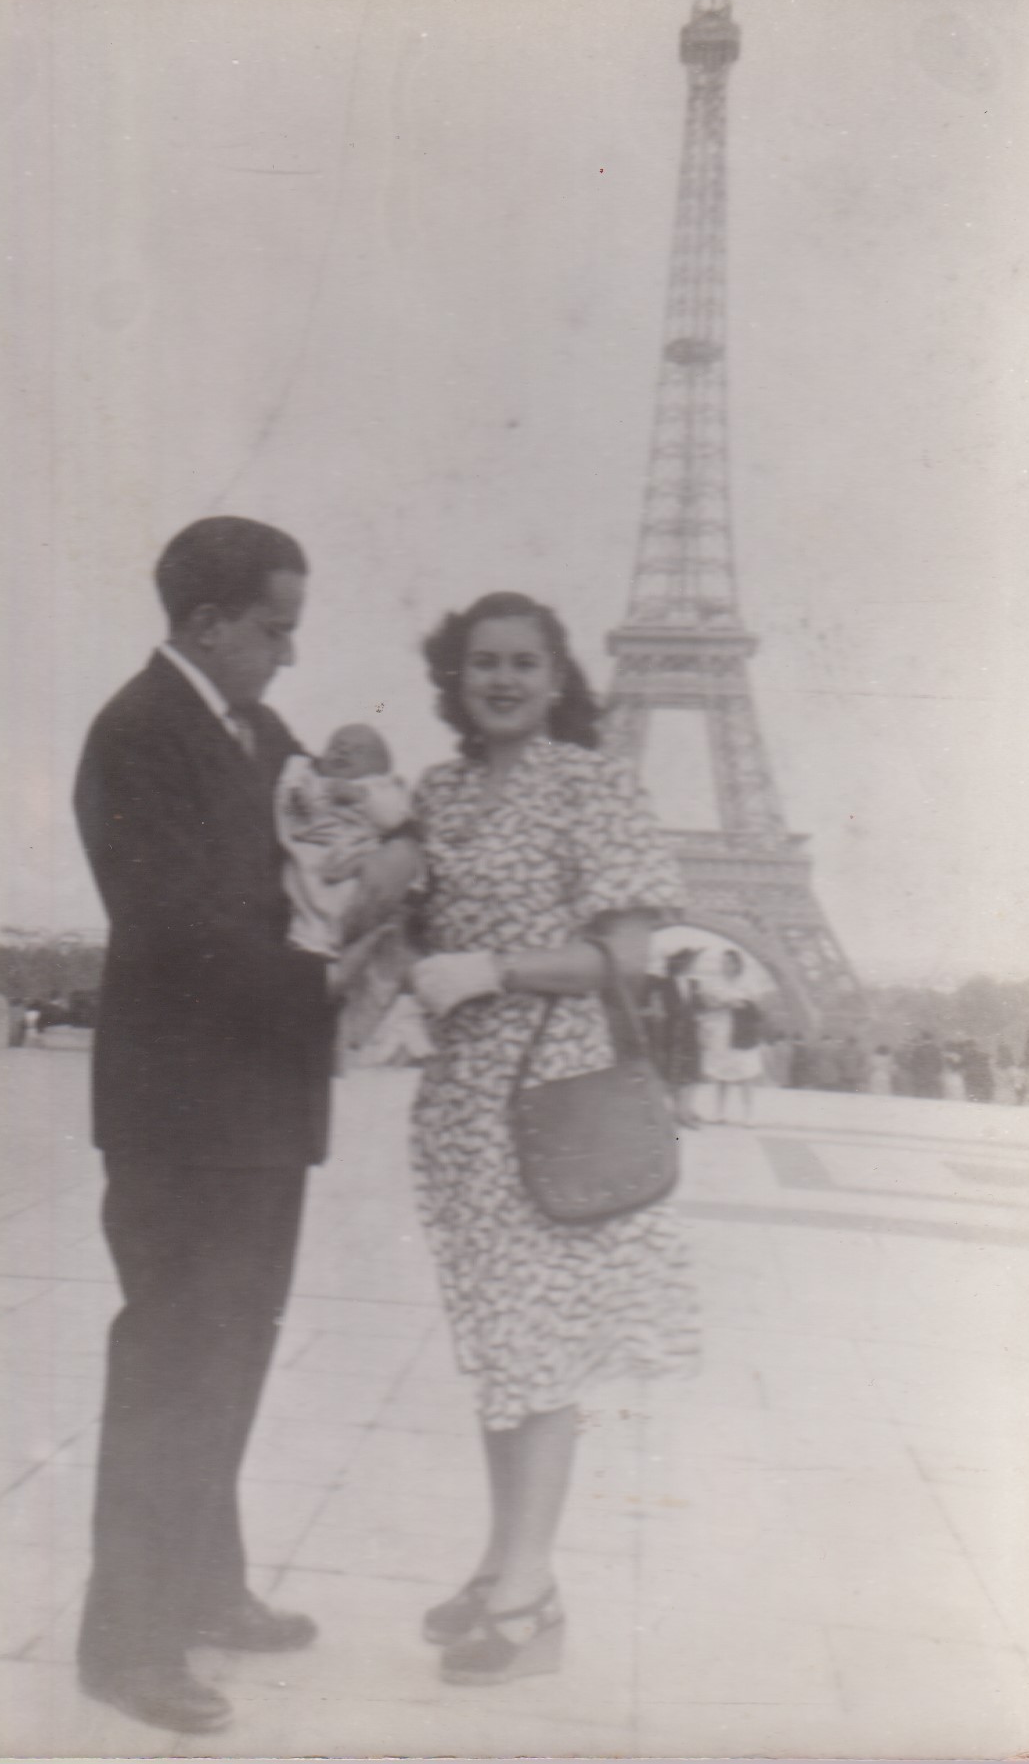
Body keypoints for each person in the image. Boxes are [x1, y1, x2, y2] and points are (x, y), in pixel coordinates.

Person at [72, 516, 414, 1734]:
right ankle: (126, 1641)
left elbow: (337, 834)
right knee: (173, 1362)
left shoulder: (258, 733)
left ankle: (205, 1585)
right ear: (208, 621)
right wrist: (330, 977)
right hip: (182, 1114)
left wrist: (397, 852)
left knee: (233, 1351)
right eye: (277, 628)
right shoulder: (134, 734)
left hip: (261, 1104)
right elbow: (176, 930)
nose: (290, 653)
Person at [408, 592, 697, 1688]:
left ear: (557, 676)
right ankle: (504, 1564)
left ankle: (529, 1599)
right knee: (501, 1344)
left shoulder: (592, 783)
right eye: (483, 661)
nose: (502, 679)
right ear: (456, 674)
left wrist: (493, 968)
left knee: (537, 1345)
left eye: (524, 662)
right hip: (463, 1107)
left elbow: (623, 956)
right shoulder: (438, 793)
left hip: (551, 1095)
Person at [275, 722, 411, 958]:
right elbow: (286, 800)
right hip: (311, 852)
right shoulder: (309, 775)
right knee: (302, 886)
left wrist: (361, 796)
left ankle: (344, 940)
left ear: (380, 768)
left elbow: (392, 818)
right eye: (336, 746)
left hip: (354, 854)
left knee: (352, 899)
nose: (344, 752)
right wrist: (297, 793)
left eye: (358, 751)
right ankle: (311, 939)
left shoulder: (379, 786)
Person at [695, 948, 763, 1124]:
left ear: (737, 964)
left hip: (742, 1032)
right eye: (723, 962)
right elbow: (706, 1003)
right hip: (721, 1031)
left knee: (745, 1073)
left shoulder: (748, 982)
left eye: (728, 962)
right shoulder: (714, 982)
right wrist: (724, 1004)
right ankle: (719, 1112)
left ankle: (749, 1114)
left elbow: (757, 1009)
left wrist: (741, 1004)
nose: (724, 966)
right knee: (721, 1073)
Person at [648, 949, 703, 1126]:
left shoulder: (694, 984)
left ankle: (685, 1109)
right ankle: (679, 1111)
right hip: (671, 1033)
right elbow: (661, 1008)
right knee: (673, 1072)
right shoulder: (664, 984)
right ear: (680, 963)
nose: (692, 965)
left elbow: (697, 1007)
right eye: (690, 961)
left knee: (691, 1072)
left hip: (690, 1033)